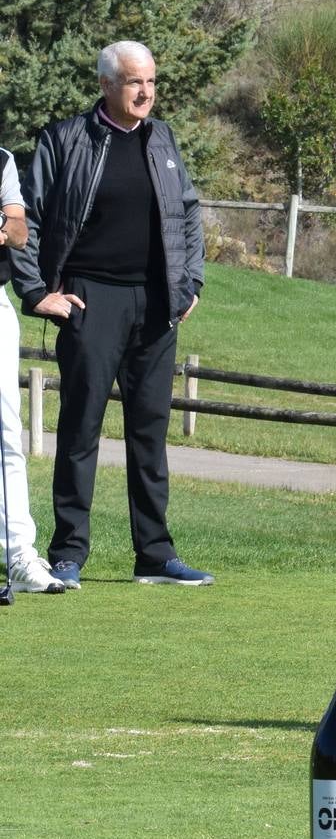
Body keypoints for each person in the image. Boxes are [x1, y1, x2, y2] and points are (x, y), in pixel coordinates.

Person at [12, 41, 211, 588]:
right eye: (133, 82)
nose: (145, 92)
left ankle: (155, 554)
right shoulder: (64, 139)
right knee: (80, 430)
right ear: (105, 85)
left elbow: (188, 212)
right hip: (88, 299)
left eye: (151, 82)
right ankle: (69, 554)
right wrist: (36, 293)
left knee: (149, 433)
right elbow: (25, 217)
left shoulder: (163, 138)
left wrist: (190, 281)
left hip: (155, 305)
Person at [1, 139, 63, 598]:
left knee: (6, 432)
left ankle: (19, 553)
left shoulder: (1, 160)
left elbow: (20, 231)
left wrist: (4, 223)